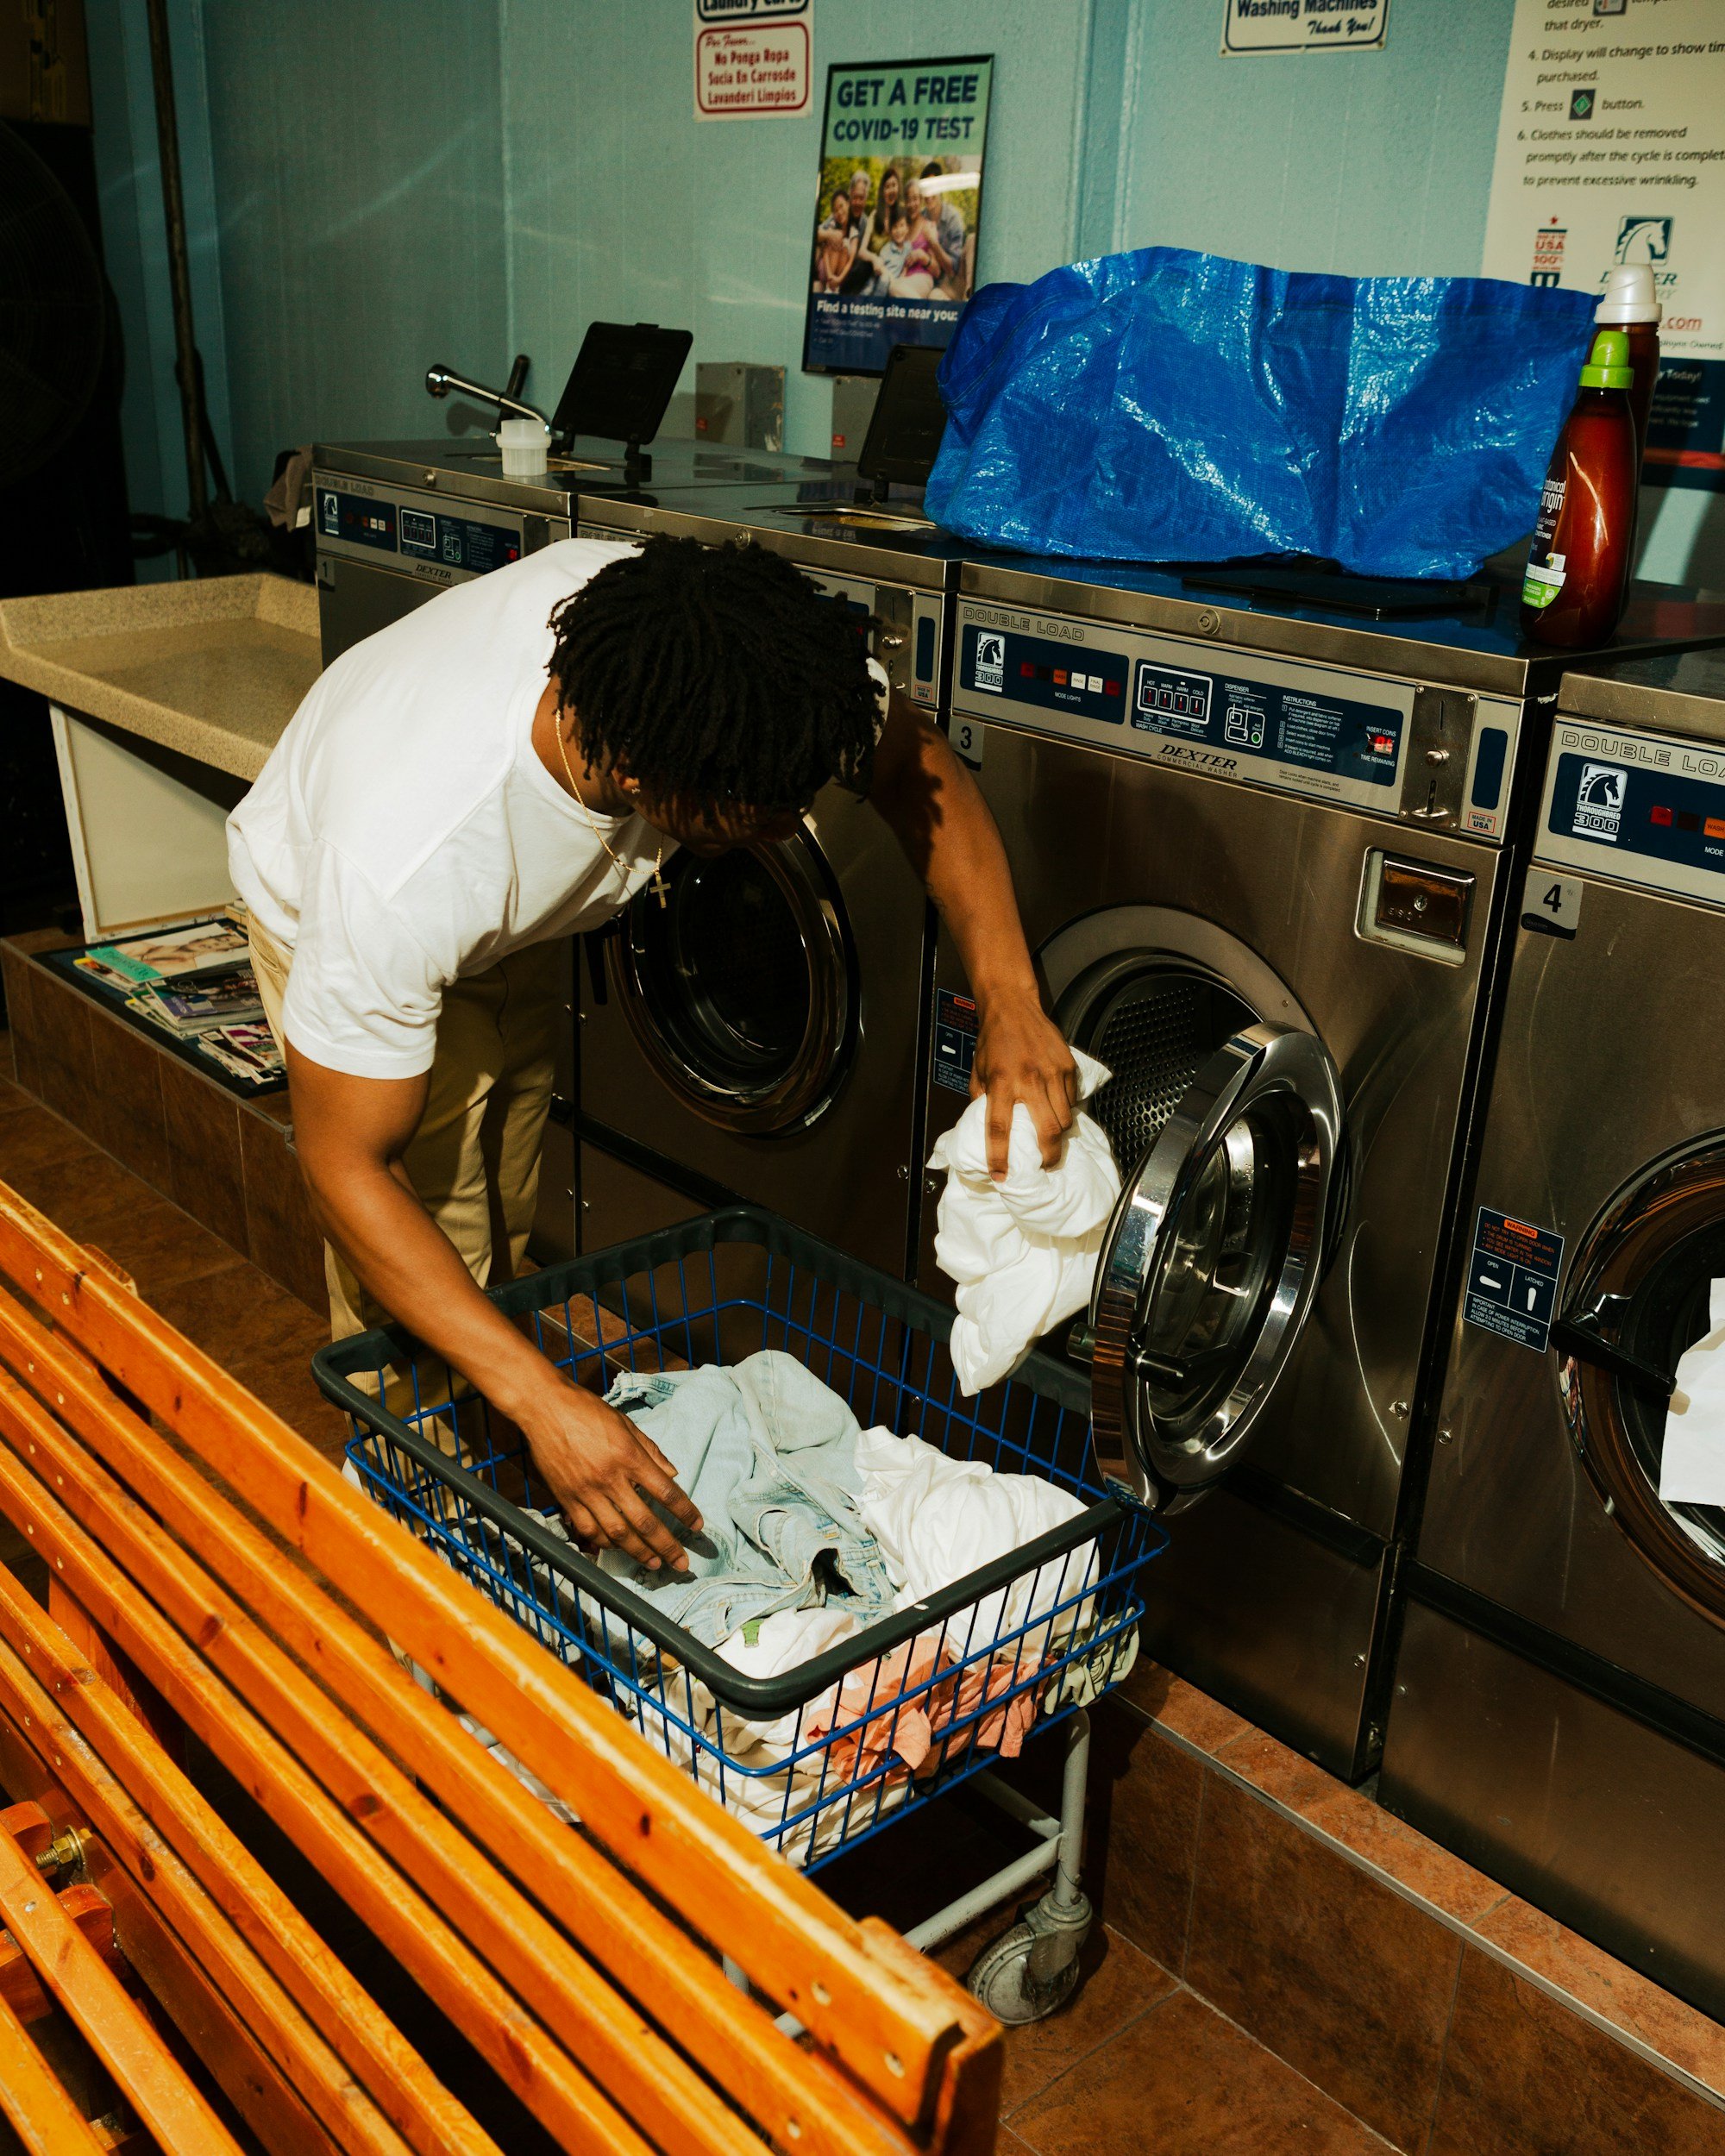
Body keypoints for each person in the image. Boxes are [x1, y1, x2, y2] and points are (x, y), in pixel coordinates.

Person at [228, 536, 1076, 1577]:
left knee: (498, 1203)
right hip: (341, 898)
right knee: (427, 1267)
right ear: (634, 774)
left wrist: (1008, 998)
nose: (794, 822)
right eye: (761, 816)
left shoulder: (742, 660)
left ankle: (512, 1472)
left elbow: (914, 764)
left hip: (515, 922)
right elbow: (348, 1168)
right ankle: (419, 1567)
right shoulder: (406, 861)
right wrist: (545, 1400)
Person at [919, 160, 972, 300]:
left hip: (952, 283)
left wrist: (933, 243)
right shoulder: (920, 218)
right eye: (925, 189)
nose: (928, 195)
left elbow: (952, 270)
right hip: (928, 283)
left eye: (932, 188)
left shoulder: (952, 218)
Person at [813, 188, 855, 291]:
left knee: (844, 247)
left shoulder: (855, 226)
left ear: (848, 204)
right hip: (826, 271)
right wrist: (830, 234)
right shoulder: (832, 222)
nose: (839, 212)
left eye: (841, 206)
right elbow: (816, 233)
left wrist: (839, 280)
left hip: (840, 276)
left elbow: (851, 259)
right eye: (836, 210)